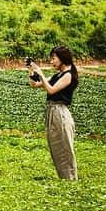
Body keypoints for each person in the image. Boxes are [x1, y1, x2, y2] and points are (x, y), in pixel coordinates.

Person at [27, 46, 79, 180]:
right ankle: (64, 177)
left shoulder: (68, 75)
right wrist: (32, 70)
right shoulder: (58, 75)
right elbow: (34, 85)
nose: (52, 61)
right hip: (51, 111)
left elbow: (51, 90)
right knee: (56, 146)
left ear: (62, 58)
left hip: (60, 111)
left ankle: (70, 178)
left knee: (64, 146)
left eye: (53, 58)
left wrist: (41, 73)